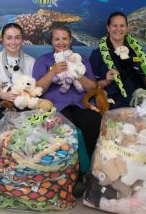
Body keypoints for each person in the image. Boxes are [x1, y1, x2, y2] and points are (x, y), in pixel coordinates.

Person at [32, 23, 102, 158]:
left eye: (64, 39)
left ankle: (94, 168)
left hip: (81, 104)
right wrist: (53, 72)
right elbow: (37, 89)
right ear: (51, 41)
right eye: (57, 39)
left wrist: (77, 73)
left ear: (70, 40)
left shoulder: (81, 59)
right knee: (62, 129)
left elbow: (93, 88)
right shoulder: (43, 60)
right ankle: (68, 172)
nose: (61, 42)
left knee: (94, 122)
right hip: (56, 107)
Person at [90, 11, 146, 108]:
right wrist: (106, 81)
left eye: (122, 26)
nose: (118, 29)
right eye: (114, 26)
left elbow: (143, 80)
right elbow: (91, 87)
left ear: (127, 28)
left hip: (138, 103)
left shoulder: (136, 52)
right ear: (108, 28)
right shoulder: (97, 54)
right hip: (112, 105)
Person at [0, 23, 35, 132]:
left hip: (25, 104)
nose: (13, 42)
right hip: (3, 103)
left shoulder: (31, 61)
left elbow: (33, 90)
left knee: (28, 122)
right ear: (3, 40)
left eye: (17, 38)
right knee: (2, 120)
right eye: (9, 38)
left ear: (22, 40)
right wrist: (5, 95)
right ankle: (1, 147)